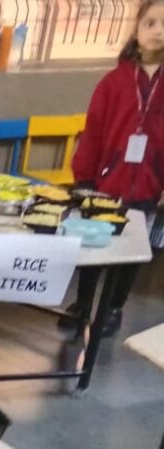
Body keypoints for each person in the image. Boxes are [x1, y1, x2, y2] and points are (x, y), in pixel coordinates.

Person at [66, 0, 164, 336]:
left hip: (149, 188)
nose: (159, 31)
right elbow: (93, 133)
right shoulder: (113, 82)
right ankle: (81, 305)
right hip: (106, 186)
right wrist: (84, 178)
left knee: (132, 252)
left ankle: (113, 308)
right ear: (136, 30)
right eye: (151, 23)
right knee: (93, 248)